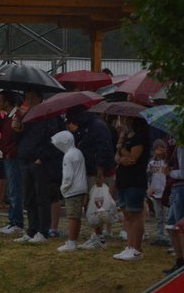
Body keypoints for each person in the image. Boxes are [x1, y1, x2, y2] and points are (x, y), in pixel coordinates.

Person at [13, 89, 64, 245]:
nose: (28, 101)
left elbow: (54, 140)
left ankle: (43, 231)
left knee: (42, 198)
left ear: (38, 98)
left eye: (31, 97)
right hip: (26, 158)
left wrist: (42, 158)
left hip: (41, 162)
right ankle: (32, 230)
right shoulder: (27, 115)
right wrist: (17, 129)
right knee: (29, 198)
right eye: (27, 98)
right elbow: (20, 138)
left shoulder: (50, 115)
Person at [65, 104, 116, 249]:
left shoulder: (97, 126)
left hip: (98, 172)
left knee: (97, 204)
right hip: (89, 170)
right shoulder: (85, 126)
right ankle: (97, 235)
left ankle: (99, 237)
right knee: (91, 204)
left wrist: (100, 172)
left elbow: (102, 149)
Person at [112, 115, 150, 261]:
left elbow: (133, 158)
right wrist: (121, 150)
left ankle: (136, 249)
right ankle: (129, 246)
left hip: (135, 180)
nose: (122, 122)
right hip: (123, 180)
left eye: (125, 119)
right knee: (127, 215)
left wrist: (121, 148)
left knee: (135, 214)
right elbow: (117, 158)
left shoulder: (140, 137)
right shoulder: (125, 137)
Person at [0, 91, 25, 235]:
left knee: (15, 190)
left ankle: (17, 222)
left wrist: (9, 152)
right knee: (12, 189)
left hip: (13, 156)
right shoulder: (8, 116)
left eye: (0, 100)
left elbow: (16, 138)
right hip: (8, 155)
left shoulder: (17, 116)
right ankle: (12, 220)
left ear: (7, 102)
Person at [164, 145, 184, 274]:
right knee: (171, 226)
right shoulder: (180, 143)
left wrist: (169, 172)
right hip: (180, 187)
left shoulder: (183, 144)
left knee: (183, 228)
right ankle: (181, 262)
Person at [54, 130, 87, 252]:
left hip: (72, 190)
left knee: (72, 216)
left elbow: (68, 176)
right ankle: (73, 239)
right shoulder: (77, 152)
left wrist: (63, 188)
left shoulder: (68, 156)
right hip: (81, 188)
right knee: (76, 216)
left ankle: (72, 241)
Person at [147, 140, 171, 246]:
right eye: (157, 148)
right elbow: (148, 176)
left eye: (162, 147)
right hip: (155, 192)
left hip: (166, 192)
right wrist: (149, 188)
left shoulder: (168, 162)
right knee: (158, 216)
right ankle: (160, 235)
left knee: (167, 215)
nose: (160, 150)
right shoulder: (151, 163)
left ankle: (168, 236)